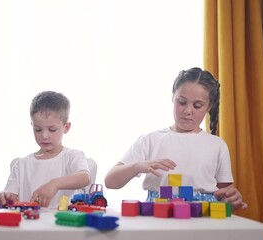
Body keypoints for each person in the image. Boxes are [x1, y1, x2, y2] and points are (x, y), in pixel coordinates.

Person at [104, 67, 247, 211]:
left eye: (197, 105)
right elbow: (110, 181)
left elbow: (225, 195)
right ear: (173, 97)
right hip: (158, 217)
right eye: (182, 102)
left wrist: (232, 200)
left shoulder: (217, 145)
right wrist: (137, 166)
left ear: (209, 106)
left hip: (202, 219)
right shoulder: (150, 140)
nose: (187, 111)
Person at [0, 91, 91, 208]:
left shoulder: (72, 156)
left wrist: (54, 184)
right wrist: (4, 196)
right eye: (38, 129)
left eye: (52, 129)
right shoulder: (21, 164)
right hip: (30, 224)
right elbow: (11, 197)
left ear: (66, 127)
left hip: (62, 224)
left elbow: (85, 177)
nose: (44, 136)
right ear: (32, 125)